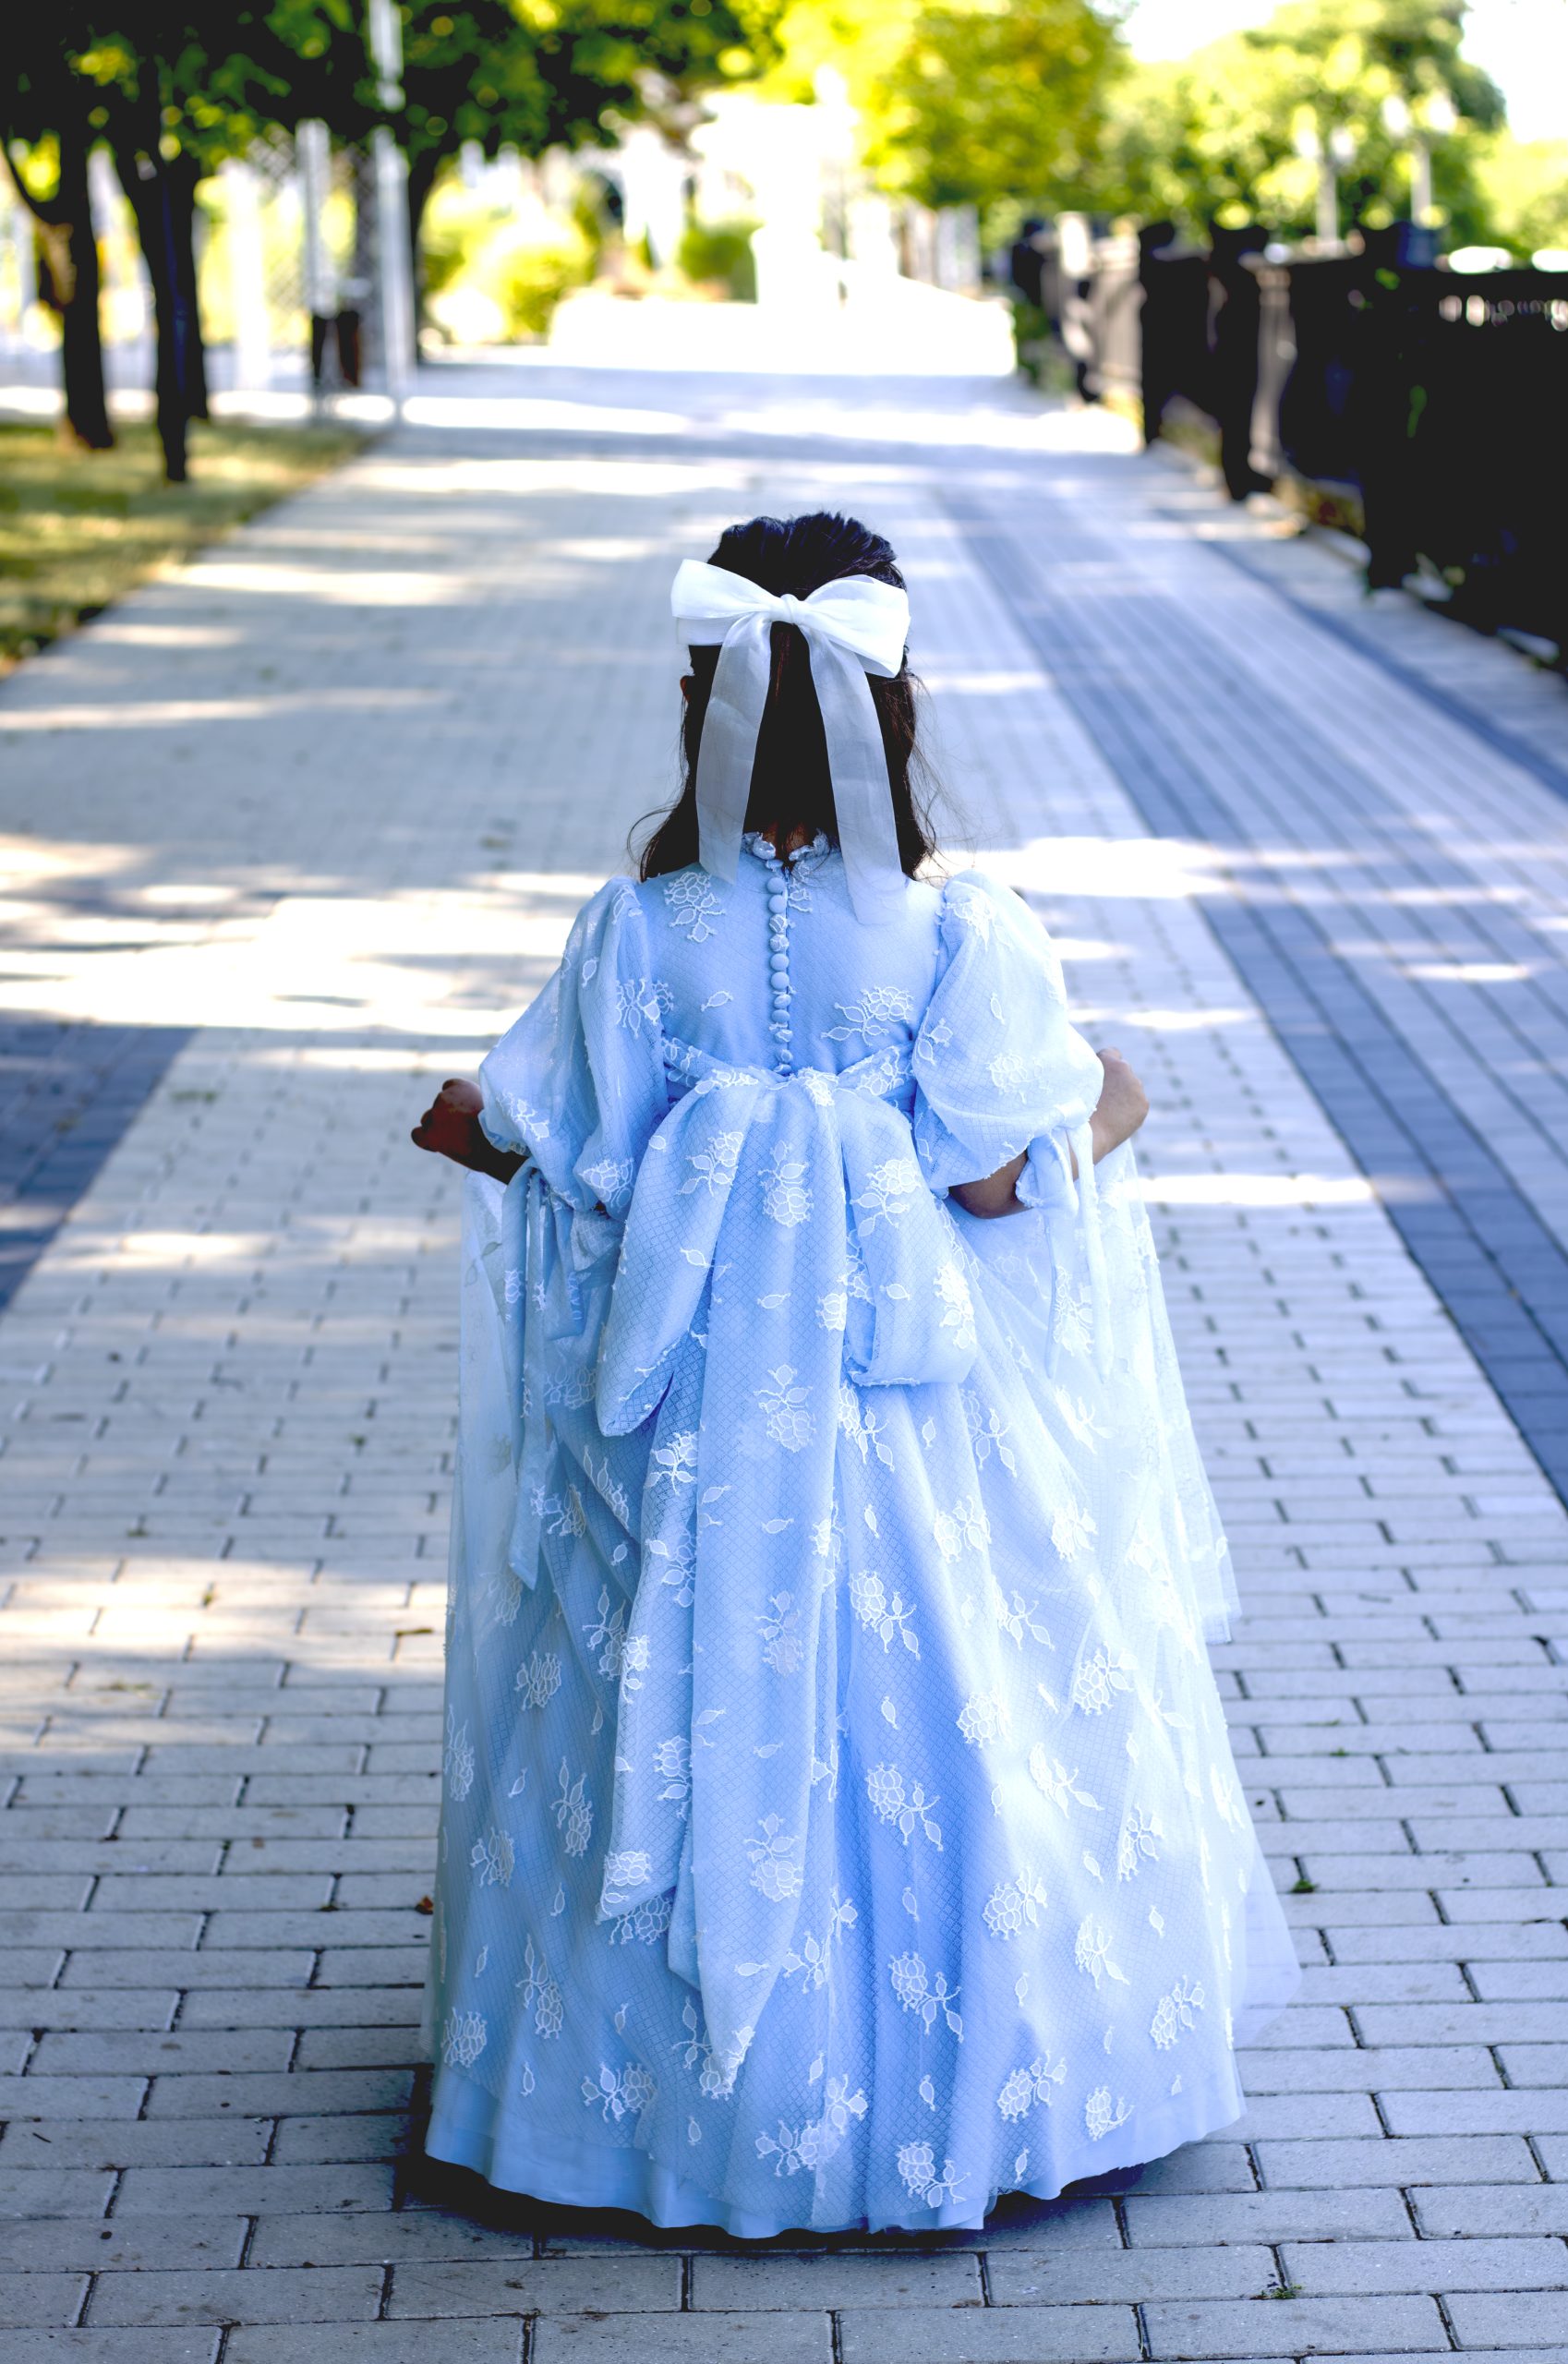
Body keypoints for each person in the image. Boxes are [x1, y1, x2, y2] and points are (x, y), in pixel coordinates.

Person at [412, 510, 1297, 2238]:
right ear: (895, 702)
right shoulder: (958, 930)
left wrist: (502, 1139)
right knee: (953, 1696)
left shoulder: (636, 926)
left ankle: (644, 2122)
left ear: (702, 701)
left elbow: (567, 1154)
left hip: (689, 1414)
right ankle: (963, 2092)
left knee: (657, 1683)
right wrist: (1112, 1102)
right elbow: (994, 1178)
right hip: (908, 1408)